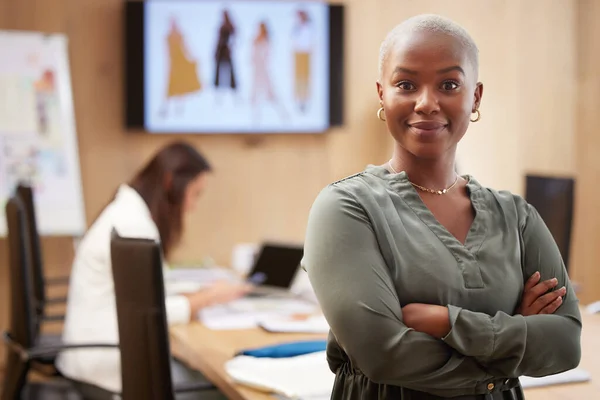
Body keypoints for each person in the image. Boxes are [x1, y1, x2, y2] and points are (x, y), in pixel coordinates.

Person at [302, 14, 582, 400]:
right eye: (406, 84)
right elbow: (383, 355)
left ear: (476, 97)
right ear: (383, 94)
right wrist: (517, 337)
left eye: (449, 84)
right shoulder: (346, 208)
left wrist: (443, 321)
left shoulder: (516, 216)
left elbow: (566, 343)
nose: (427, 103)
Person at [56, 142, 251, 398]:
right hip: (105, 368)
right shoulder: (133, 225)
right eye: (195, 194)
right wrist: (208, 298)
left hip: (97, 356)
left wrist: (199, 294)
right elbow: (147, 314)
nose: (192, 206)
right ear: (171, 183)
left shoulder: (127, 212)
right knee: (222, 390)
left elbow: (143, 298)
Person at [160, 17, 202, 117]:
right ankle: (165, 109)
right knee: (170, 87)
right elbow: (168, 52)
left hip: (181, 63)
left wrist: (192, 58)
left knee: (181, 87)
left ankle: (179, 109)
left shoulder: (180, 36)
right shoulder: (168, 37)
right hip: (173, 64)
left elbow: (186, 48)